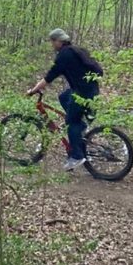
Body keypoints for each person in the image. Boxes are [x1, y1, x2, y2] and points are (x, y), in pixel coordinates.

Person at [26, 28, 100, 170]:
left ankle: (76, 156)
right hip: (90, 90)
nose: (52, 45)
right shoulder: (76, 50)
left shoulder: (64, 55)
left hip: (83, 93)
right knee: (63, 96)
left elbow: (49, 76)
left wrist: (33, 90)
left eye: (53, 41)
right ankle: (80, 128)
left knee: (71, 121)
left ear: (59, 41)